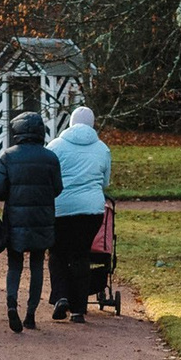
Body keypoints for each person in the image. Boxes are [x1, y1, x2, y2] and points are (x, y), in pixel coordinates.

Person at [0, 110, 63, 332]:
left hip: (15, 219)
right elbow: (57, 189)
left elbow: (0, 191)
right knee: (37, 265)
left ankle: (12, 304)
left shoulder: (8, 156)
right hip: (42, 218)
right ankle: (31, 314)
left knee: (15, 265)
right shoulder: (50, 157)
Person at [47, 105, 114, 321]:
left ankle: (61, 297)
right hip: (91, 210)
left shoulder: (55, 146)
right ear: (93, 124)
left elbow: (50, 178)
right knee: (81, 254)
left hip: (61, 208)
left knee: (57, 253)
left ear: (71, 123)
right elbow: (105, 182)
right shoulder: (102, 149)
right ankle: (78, 310)